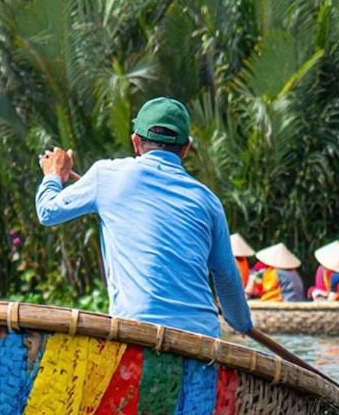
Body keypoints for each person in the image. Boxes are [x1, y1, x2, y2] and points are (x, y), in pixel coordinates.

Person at [35, 96, 251, 338]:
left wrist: (54, 175)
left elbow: (47, 211)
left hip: (135, 332)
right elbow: (227, 277)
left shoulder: (106, 175)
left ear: (136, 142)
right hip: (201, 336)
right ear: (186, 148)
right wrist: (241, 324)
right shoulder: (208, 200)